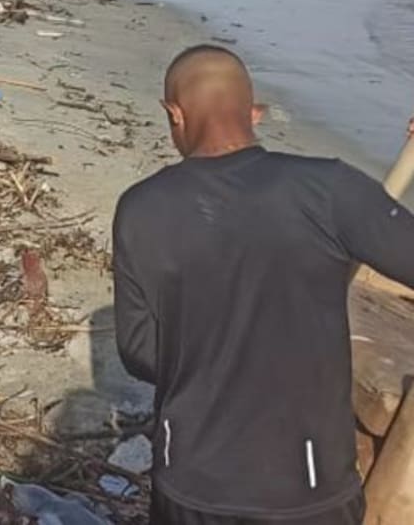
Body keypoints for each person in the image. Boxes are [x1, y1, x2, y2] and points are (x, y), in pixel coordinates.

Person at [113, 44, 414, 525]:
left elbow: (139, 351)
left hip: (191, 483)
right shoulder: (331, 190)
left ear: (174, 113)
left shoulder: (142, 209)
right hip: (309, 490)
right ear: (255, 113)